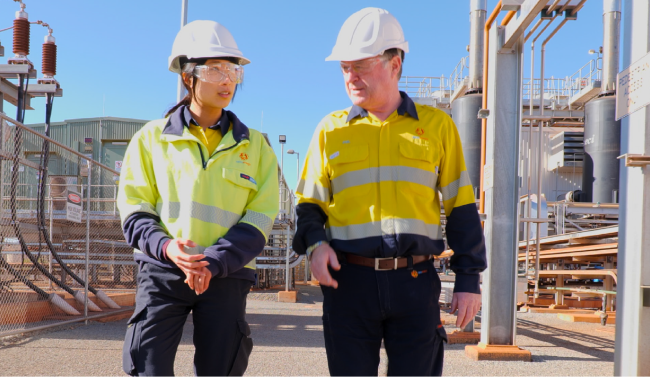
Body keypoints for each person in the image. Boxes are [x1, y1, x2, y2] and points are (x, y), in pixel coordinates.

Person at [293, 7, 487, 377]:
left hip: (415, 284)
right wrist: (316, 246)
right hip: (347, 284)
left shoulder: (437, 126)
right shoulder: (329, 131)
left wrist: (468, 279)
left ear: (395, 63)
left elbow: (461, 207)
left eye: (361, 66)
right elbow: (309, 205)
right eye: (344, 67)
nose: (351, 77)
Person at [118, 20, 279, 377]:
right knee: (147, 366)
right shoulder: (151, 139)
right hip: (162, 270)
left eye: (233, 71)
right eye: (215, 69)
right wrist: (168, 248)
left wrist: (213, 261)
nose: (227, 80)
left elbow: (261, 217)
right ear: (187, 75)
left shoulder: (256, 147)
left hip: (228, 274)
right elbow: (135, 209)